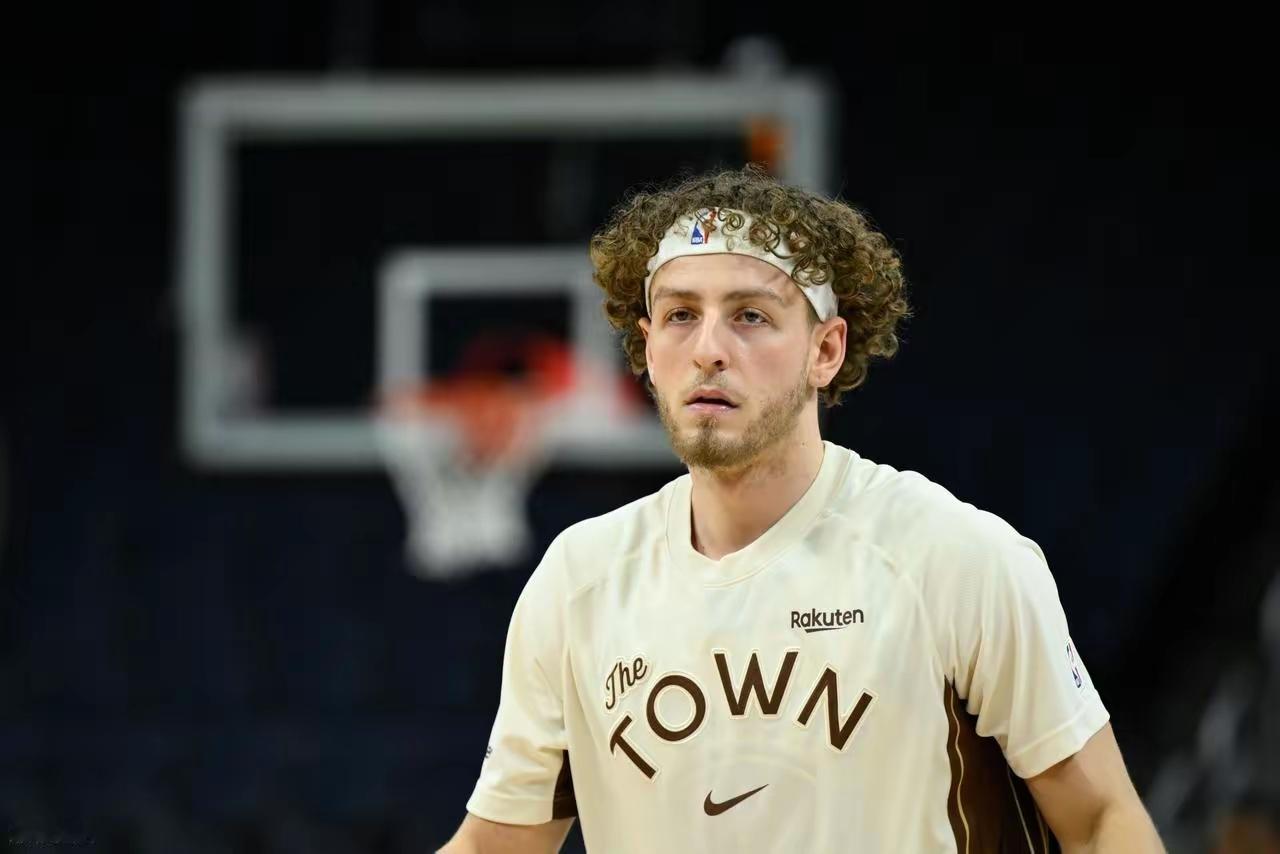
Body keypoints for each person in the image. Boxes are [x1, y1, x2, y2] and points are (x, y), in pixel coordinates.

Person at [439, 166, 1164, 853]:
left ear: (826, 349)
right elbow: (496, 843)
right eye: (680, 315)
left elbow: (1101, 820)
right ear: (648, 348)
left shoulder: (953, 558)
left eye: (750, 315)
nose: (708, 349)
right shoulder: (579, 581)